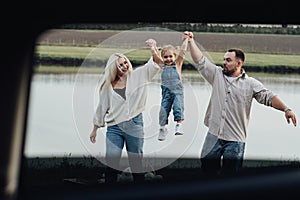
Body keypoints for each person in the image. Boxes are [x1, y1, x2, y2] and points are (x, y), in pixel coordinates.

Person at [184, 31, 297, 176]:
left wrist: (286, 109)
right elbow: (200, 61)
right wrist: (191, 41)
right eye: (224, 59)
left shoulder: (250, 84)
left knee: (231, 176)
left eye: (228, 60)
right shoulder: (217, 75)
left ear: (239, 63)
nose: (224, 62)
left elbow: (269, 97)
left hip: (235, 140)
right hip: (213, 136)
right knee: (207, 171)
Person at [89, 39, 161, 183]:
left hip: (134, 123)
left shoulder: (138, 76)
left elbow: (156, 64)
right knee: (111, 161)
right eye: (120, 64)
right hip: (114, 127)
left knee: (136, 162)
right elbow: (102, 107)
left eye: (125, 62)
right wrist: (95, 128)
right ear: (113, 68)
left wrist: (153, 49)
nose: (124, 66)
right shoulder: (107, 86)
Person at [155, 36, 189, 141]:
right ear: (162, 58)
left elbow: (183, 52)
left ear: (174, 56)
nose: (168, 59)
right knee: (163, 111)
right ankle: (162, 128)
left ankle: (179, 125)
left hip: (177, 92)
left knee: (178, 108)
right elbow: (155, 56)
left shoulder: (178, 64)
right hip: (166, 93)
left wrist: (186, 40)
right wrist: (153, 47)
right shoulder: (162, 65)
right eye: (165, 57)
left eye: (170, 56)